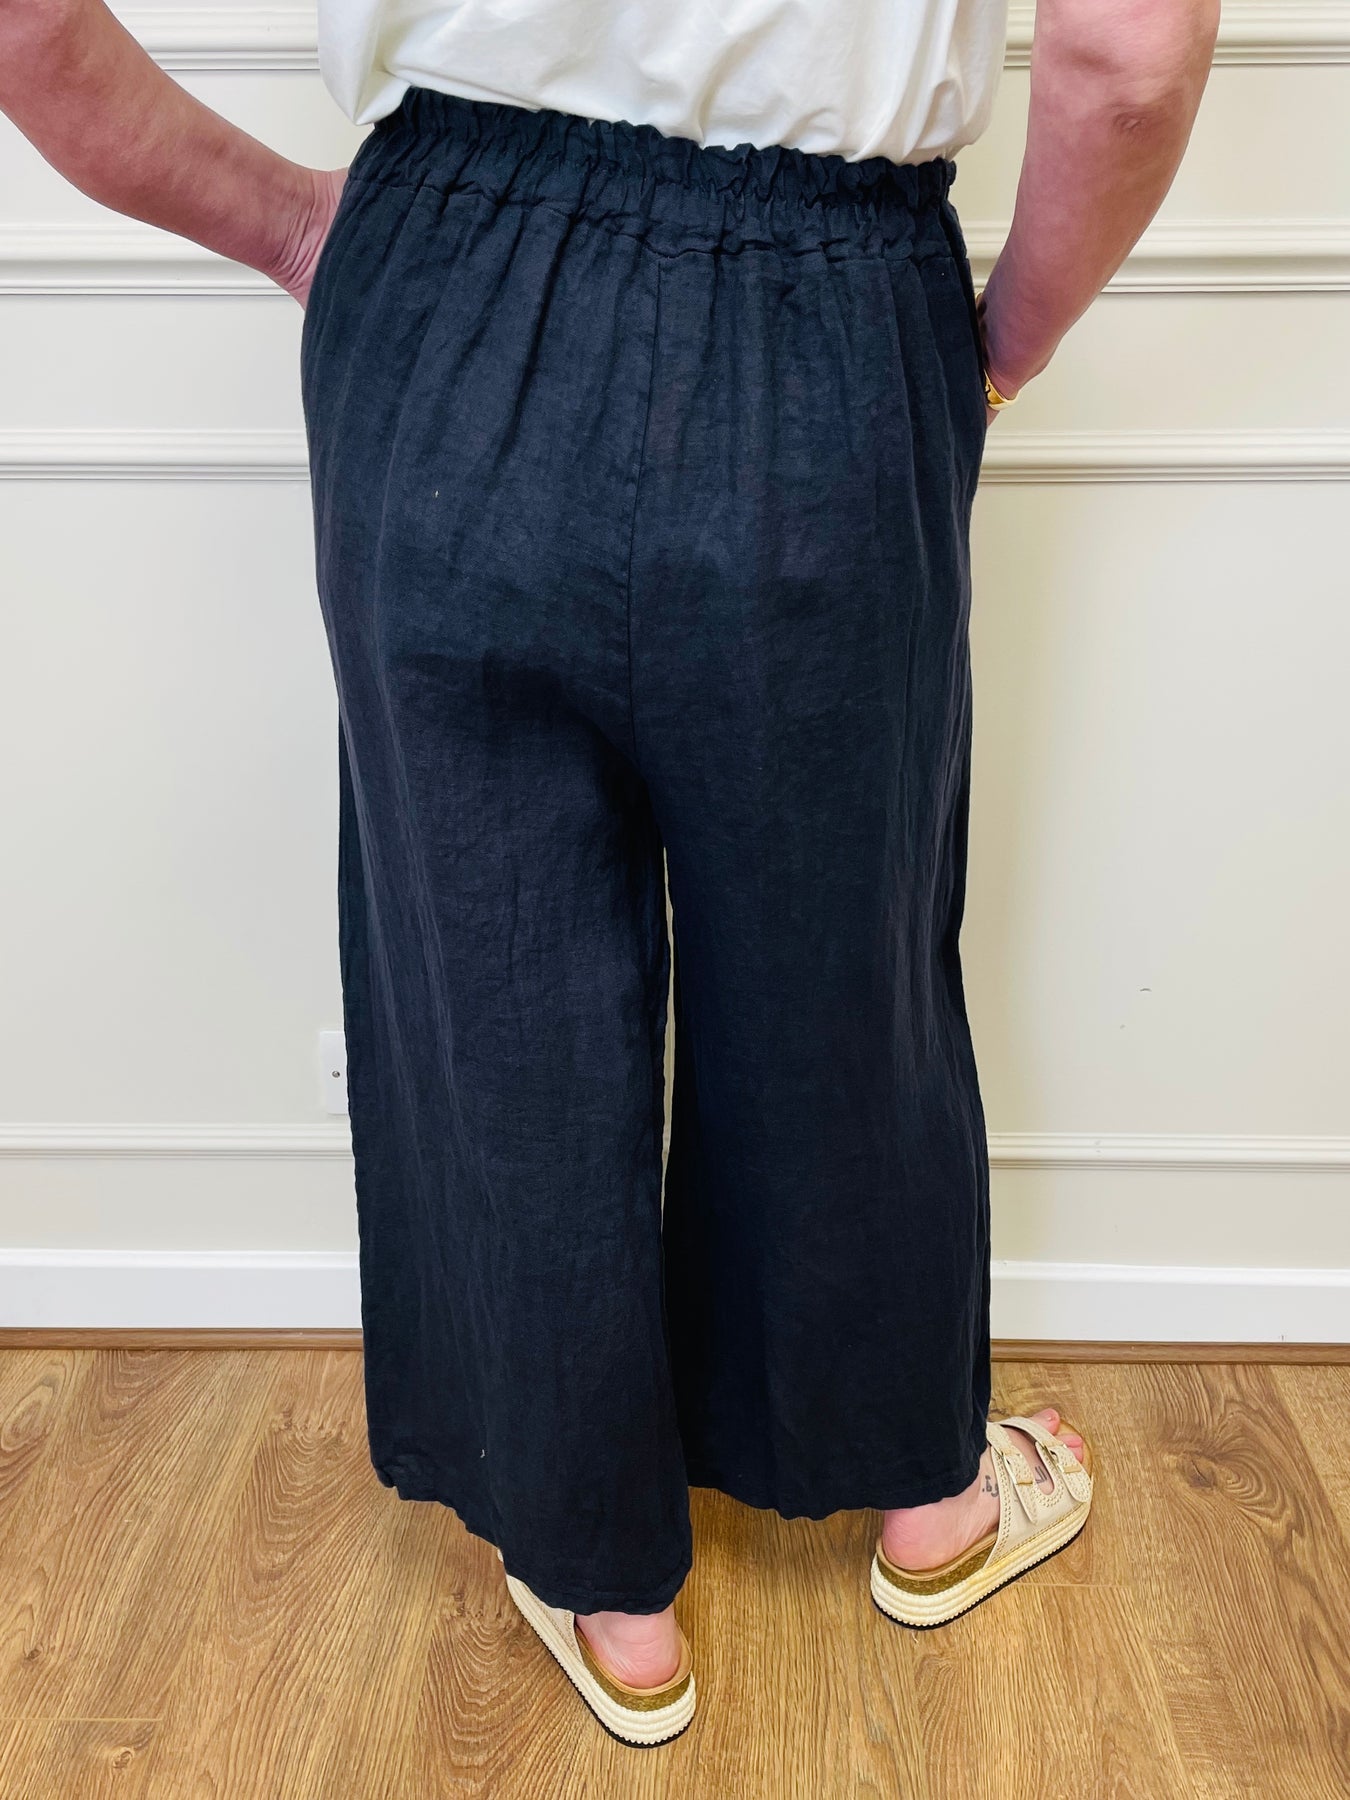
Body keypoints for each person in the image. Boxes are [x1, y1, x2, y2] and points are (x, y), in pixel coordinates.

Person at [1, 0, 1219, 1748]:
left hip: (440, 279)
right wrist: (994, 353)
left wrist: (285, 219)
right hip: (826, 306)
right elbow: (1130, 54)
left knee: (489, 958)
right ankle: (927, 1500)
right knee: (838, 952)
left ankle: (604, 1584)